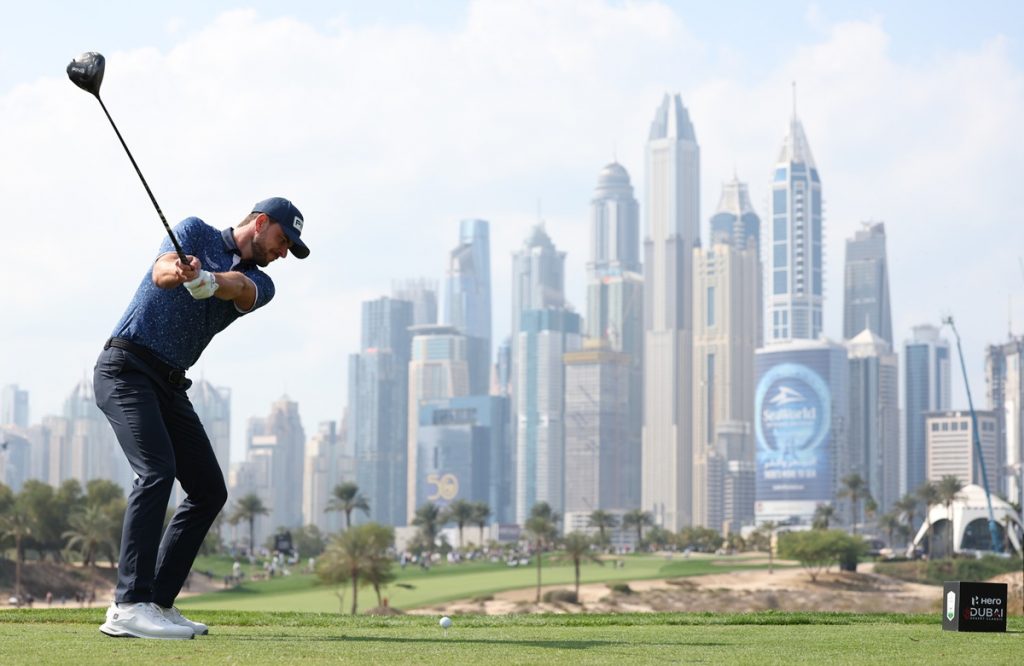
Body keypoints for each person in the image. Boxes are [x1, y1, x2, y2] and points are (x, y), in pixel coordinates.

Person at [93, 197, 309, 640]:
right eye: (282, 239)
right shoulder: (195, 231)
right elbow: (161, 272)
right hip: (126, 368)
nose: (283, 251)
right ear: (260, 223)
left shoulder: (260, 281)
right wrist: (184, 272)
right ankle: (128, 606)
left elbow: (238, 290)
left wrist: (208, 280)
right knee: (157, 472)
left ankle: (158, 602)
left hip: (170, 384)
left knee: (209, 490)